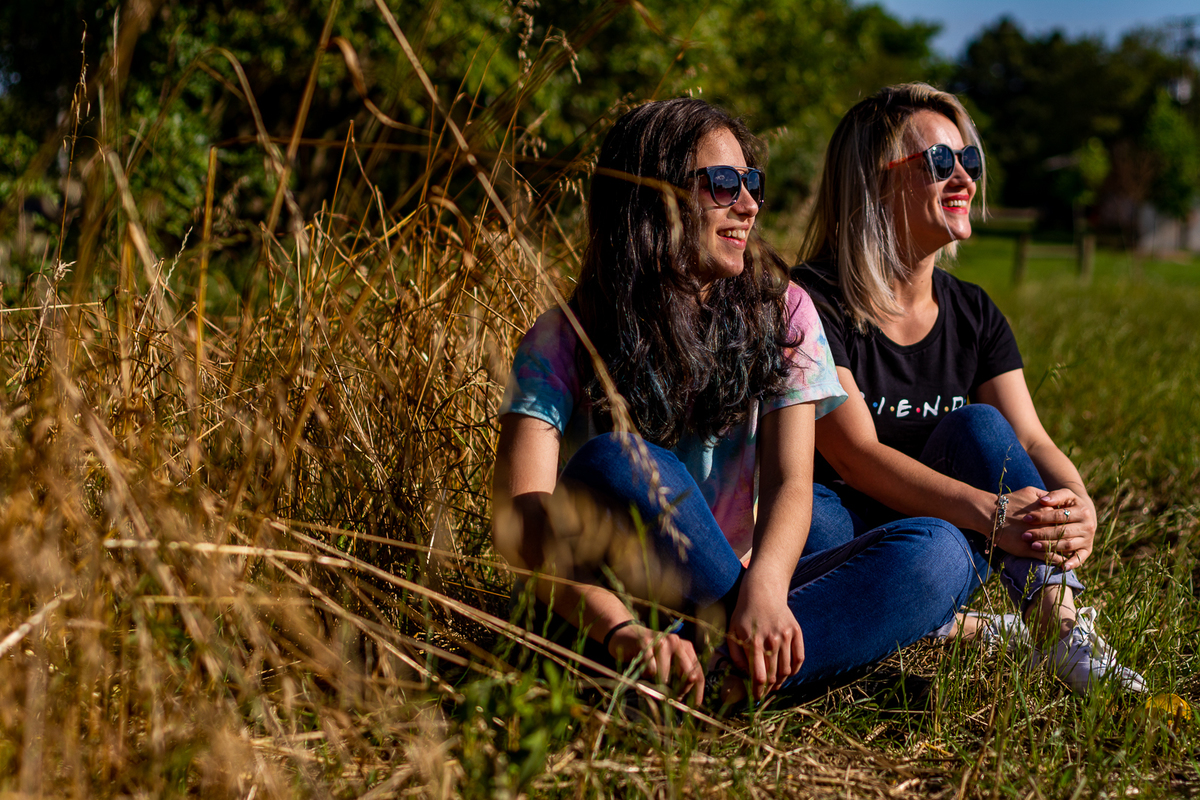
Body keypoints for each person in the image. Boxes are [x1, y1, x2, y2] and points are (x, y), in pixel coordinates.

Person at [492, 97, 984, 707]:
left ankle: (707, 681)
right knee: (618, 462)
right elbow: (522, 524)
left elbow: (789, 483)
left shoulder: (783, 313)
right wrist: (620, 631)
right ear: (654, 198)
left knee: (939, 552)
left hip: (740, 584)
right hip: (607, 606)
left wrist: (767, 591)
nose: (748, 204)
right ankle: (742, 668)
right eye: (723, 184)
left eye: (752, 183)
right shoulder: (562, 338)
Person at [791, 82, 1145, 693]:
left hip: (951, 534)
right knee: (815, 522)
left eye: (969, 160)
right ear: (874, 181)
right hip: (843, 534)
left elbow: (1029, 439)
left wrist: (1075, 502)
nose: (964, 179)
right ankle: (946, 622)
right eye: (938, 161)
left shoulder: (974, 312)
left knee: (979, 427)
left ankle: (1062, 633)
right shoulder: (812, 301)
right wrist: (993, 514)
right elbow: (856, 455)